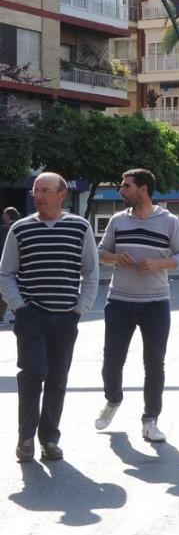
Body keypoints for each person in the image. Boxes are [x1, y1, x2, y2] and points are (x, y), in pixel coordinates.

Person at [0, 174, 99, 462]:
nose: (38, 195)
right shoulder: (20, 229)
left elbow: (91, 272)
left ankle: (49, 439)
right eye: (36, 191)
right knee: (32, 374)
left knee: (57, 380)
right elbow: (6, 272)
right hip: (32, 316)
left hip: (66, 317)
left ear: (61, 195)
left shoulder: (79, 227)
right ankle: (26, 438)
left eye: (45, 190)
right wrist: (19, 306)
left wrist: (81, 307)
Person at [94, 169, 179, 443]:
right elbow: (100, 254)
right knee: (112, 362)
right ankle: (113, 400)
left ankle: (150, 421)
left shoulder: (169, 222)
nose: (120, 191)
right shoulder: (117, 220)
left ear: (143, 189)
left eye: (126, 186)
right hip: (119, 301)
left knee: (154, 363)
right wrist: (114, 258)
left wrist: (160, 263)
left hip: (156, 303)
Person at [0, 207, 22, 322]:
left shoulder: (5, 229)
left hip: (6, 262)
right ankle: (18, 314)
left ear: (8, 215)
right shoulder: (21, 227)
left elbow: (2, 247)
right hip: (20, 263)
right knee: (15, 288)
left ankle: (3, 315)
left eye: (4, 214)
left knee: (4, 289)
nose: (2, 216)